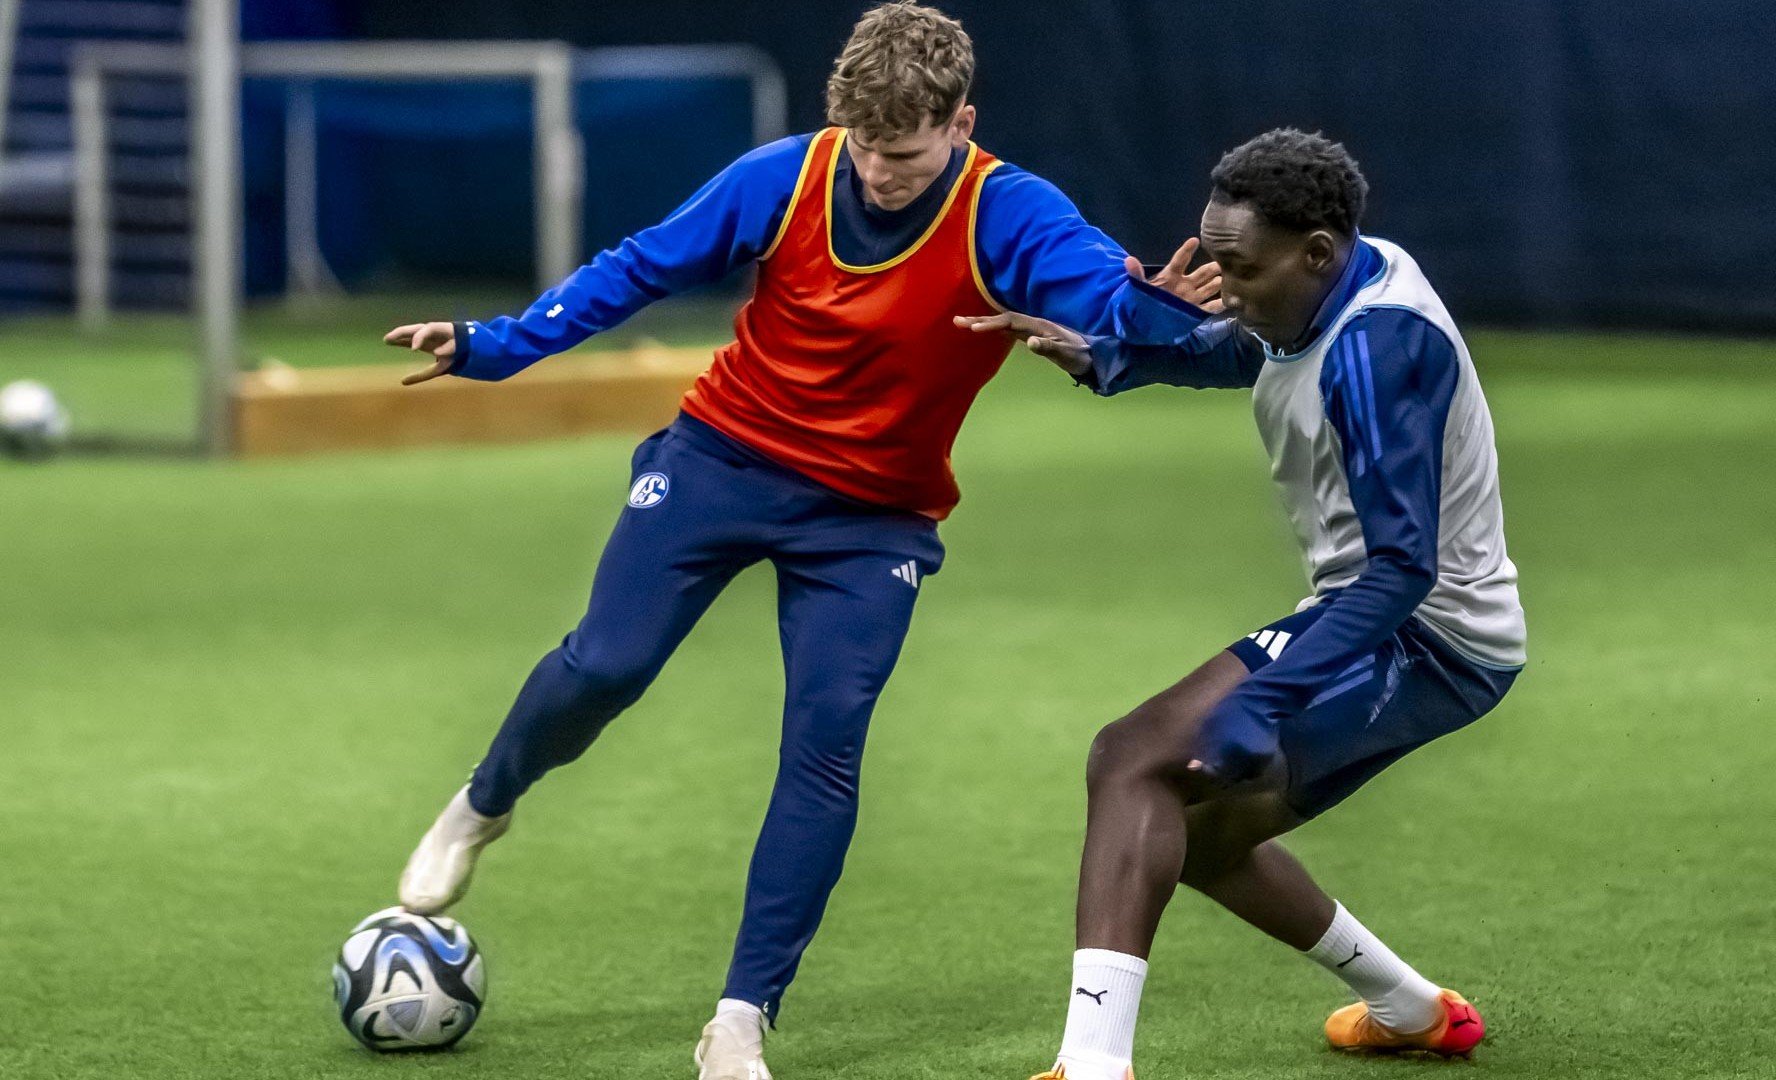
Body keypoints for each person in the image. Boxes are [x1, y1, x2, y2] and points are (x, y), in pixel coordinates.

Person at [378, 5, 1215, 1078]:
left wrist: (1151, 315)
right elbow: (639, 268)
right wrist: (494, 346)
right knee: (606, 663)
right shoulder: (785, 176)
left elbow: (1104, 296)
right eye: (865, 145)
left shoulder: (1010, 212)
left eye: (906, 151)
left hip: (873, 521)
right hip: (721, 459)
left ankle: (738, 1019)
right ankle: (483, 803)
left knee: (824, 747)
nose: (880, 171)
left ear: (964, 122)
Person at [958, 128, 1526, 1079]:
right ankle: (1414, 1010)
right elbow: (1252, 346)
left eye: (1239, 267)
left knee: (1130, 758)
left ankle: (1094, 1067)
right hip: (1393, 618)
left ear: (1316, 252)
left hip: (1423, 635)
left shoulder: (1379, 353)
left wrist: (1264, 698)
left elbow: (1401, 571)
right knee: (1191, 837)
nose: (1222, 286)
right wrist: (1115, 357)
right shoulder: (1336, 279)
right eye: (1213, 255)